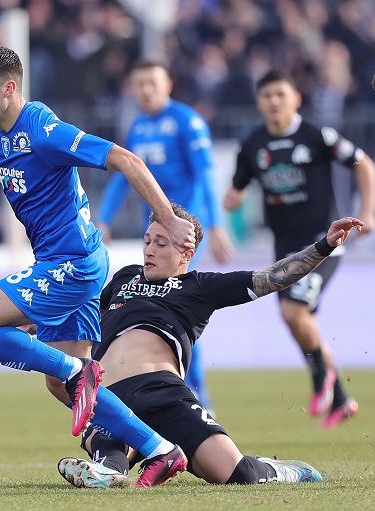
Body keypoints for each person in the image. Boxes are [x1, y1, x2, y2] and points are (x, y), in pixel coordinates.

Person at [0, 45, 196, 487]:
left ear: (9, 88)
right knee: (58, 383)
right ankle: (159, 449)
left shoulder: (44, 130)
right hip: (60, 262)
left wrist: (168, 218)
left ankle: (80, 373)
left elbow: (127, 160)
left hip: (74, 263)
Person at [57, 205, 362, 488]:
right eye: (148, 241)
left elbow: (273, 278)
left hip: (164, 393)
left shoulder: (200, 286)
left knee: (235, 473)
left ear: (185, 253)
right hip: (107, 394)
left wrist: (324, 246)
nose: (149, 250)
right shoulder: (125, 278)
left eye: (161, 244)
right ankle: (108, 470)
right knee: (113, 451)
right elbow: (81, 315)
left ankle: (279, 469)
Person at [223, 69, 375, 428]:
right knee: (298, 320)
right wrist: (233, 199)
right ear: (259, 102)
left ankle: (323, 378)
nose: (274, 101)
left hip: (325, 243)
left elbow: (362, 162)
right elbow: (237, 188)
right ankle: (339, 398)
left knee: (294, 314)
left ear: (296, 99)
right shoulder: (252, 146)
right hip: (286, 252)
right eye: (267, 96)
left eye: (280, 94)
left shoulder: (318, 136)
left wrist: (368, 211)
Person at [95, 59, 234, 413]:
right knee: (164, 310)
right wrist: (105, 219)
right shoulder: (139, 127)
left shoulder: (187, 121)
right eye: (139, 84)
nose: (146, 90)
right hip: (156, 236)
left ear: (168, 84)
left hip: (185, 232)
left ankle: (196, 395)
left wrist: (215, 227)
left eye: (152, 83)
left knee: (175, 308)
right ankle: (187, 392)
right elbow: (122, 176)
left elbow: (204, 174)